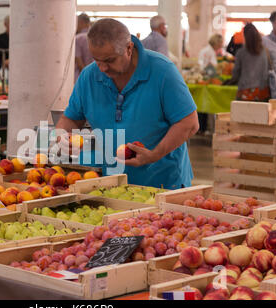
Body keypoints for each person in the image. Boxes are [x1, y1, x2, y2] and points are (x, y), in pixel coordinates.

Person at [56, 19, 199, 189]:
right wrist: (62, 137)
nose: (102, 68)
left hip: (162, 184)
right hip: (110, 185)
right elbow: (71, 119)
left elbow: (189, 123)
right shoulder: (89, 76)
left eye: (109, 60)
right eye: (97, 60)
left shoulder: (162, 72)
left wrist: (153, 155)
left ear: (129, 49)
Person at [229, 23, 270, 102]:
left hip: (246, 91)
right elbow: (269, 69)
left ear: (245, 36)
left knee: (244, 113)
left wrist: (231, 81)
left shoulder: (241, 52)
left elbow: (236, 73)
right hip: (263, 91)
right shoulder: (265, 51)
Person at [75, 13, 94, 82]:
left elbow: (80, 63)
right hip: (96, 76)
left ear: (81, 22)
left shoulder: (78, 38)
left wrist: (87, 78)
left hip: (82, 78)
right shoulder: (97, 37)